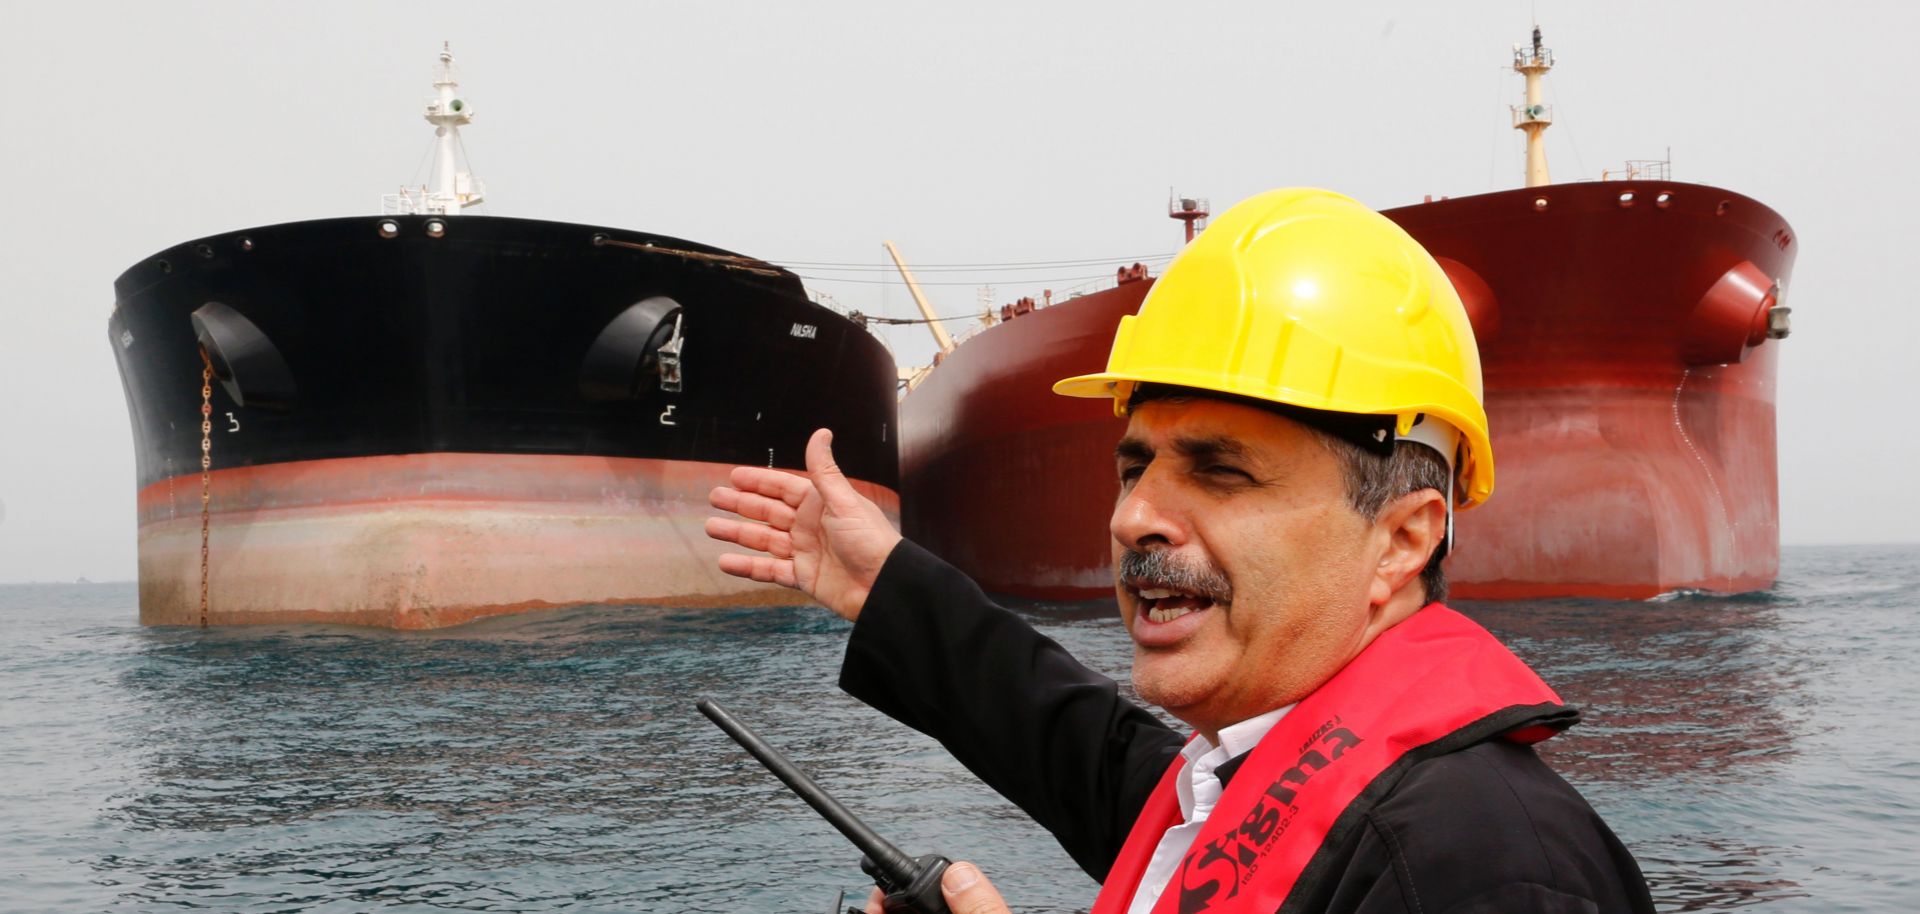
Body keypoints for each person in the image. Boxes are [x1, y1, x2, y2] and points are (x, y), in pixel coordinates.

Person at [706, 188, 1654, 914]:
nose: (1133, 518)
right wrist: (887, 585)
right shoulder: (1253, 779)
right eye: (1135, 467)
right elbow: (1086, 749)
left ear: (1403, 539)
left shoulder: (1480, 867)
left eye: (1221, 471)